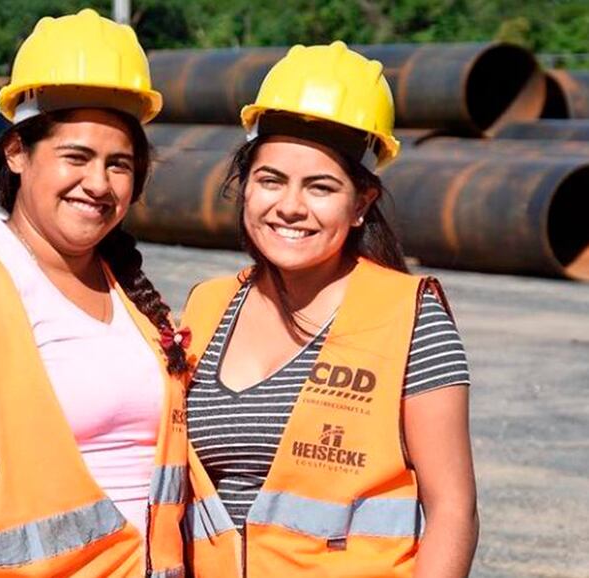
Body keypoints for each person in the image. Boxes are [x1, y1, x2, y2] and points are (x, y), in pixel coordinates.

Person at [0, 10, 188, 577]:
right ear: (17, 152)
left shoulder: (130, 295)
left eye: (119, 164)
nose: (98, 184)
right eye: (76, 157)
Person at [181, 41, 479, 577]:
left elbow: (453, 510)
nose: (290, 206)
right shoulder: (206, 307)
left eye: (320, 187)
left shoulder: (410, 317)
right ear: (245, 186)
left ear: (361, 203)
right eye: (271, 180)